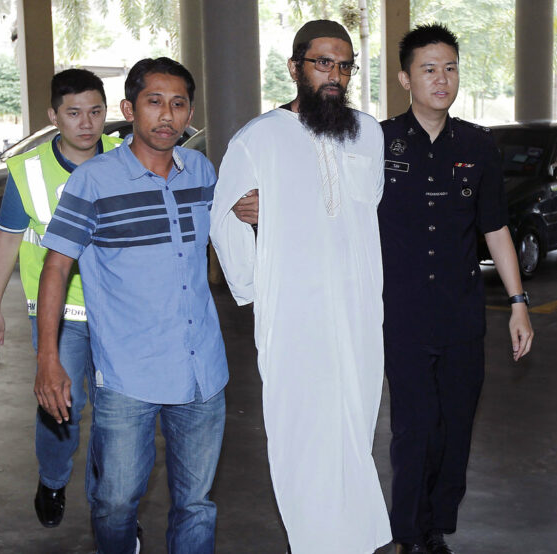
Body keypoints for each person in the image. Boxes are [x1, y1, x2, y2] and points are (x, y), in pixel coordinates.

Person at [211, 20, 391, 554]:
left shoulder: (369, 132)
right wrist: (253, 281)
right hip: (294, 313)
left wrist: (280, 210)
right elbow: (223, 219)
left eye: (344, 65)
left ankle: (350, 543)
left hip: (359, 312)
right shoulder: (257, 138)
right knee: (302, 433)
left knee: (355, 428)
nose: (334, 75)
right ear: (294, 68)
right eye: (322, 63)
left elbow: (363, 209)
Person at [36, 57, 228, 554]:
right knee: (116, 503)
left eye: (179, 104)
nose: (167, 115)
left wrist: (249, 213)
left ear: (189, 113)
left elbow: (230, 237)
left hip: (201, 371)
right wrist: (48, 359)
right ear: (130, 109)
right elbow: (55, 267)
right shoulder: (94, 182)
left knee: (197, 504)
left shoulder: (201, 172)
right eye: (154, 102)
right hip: (127, 376)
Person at [378, 23, 534, 554]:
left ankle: (437, 525)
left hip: (463, 314)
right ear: (405, 78)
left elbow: (496, 228)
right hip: (402, 315)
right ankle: (408, 532)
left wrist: (518, 304)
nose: (441, 79)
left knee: (455, 427)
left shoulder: (478, 145)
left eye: (450, 68)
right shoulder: (377, 143)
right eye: (428, 69)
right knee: (413, 429)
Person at [0, 69, 122, 528]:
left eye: (96, 112)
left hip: (118, 311)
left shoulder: (127, 159)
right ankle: (54, 478)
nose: (87, 123)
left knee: (117, 413)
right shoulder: (29, 170)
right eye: (74, 113)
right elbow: (6, 239)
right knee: (61, 404)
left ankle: (112, 508)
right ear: (53, 116)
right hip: (59, 313)